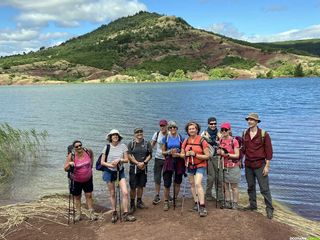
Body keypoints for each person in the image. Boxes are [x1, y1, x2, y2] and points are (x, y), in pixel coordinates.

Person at [243, 113, 274, 219]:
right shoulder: (245, 133)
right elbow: (243, 150)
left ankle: (269, 209)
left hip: (260, 165)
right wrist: (237, 160)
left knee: (264, 189)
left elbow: (269, 152)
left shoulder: (264, 134)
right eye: (248, 120)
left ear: (257, 122)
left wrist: (267, 166)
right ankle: (253, 206)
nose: (249, 121)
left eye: (252, 120)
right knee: (250, 187)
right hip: (248, 165)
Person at [100, 129, 136, 223]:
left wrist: (119, 160)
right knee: (112, 193)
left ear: (118, 136)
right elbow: (102, 162)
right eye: (113, 135)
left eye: (116, 135)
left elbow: (126, 160)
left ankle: (126, 214)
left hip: (120, 171)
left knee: (125, 192)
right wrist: (110, 165)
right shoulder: (106, 147)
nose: (115, 136)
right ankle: (114, 212)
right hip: (109, 172)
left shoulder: (123, 146)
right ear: (110, 137)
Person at [180, 121, 210, 217]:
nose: (192, 130)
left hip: (200, 165)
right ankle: (196, 202)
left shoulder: (202, 141)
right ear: (187, 131)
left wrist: (196, 154)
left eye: (193, 128)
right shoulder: (186, 141)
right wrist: (186, 154)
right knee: (192, 184)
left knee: (198, 183)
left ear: (197, 130)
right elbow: (181, 154)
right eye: (190, 129)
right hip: (189, 165)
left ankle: (202, 206)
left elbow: (207, 156)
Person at [64, 140, 97, 221]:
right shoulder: (71, 156)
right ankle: (78, 215)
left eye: (80, 145)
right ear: (74, 148)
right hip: (76, 180)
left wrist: (91, 166)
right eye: (76, 146)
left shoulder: (88, 151)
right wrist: (69, 164)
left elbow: (92, 156)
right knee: (77, 197)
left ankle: (91, 214)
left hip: (88, 178)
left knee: (89, 195)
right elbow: (65, 168)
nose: (79, 147)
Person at [216, 122, 241, 209]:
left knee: (234, 186)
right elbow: (219, 151)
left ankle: (235, 203)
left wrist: (227, 155)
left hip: (233, 166)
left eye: (225, 130)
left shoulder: (234, 141)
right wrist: (219, 152)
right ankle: (227, 201)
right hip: (223, 166)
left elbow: (237, 155)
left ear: (229, 130)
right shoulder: (221, 140)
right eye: (222, 130)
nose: (223, 131)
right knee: (225, 186)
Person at [128, 128, 152, 213]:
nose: (139, 134)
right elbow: (129, 156)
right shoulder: (131, 144)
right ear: (134, 134)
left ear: (143, 133)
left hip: (143, 168)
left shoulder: (147, 143)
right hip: (133, 168)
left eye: (140, 132)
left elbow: (150, 155)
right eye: (137, 132)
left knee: (141, 186)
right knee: (133, 187)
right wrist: (138, 163)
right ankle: (131, 204)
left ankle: (139, 201)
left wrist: (144, 163)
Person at [161, 121, 184, 211]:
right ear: (168, 129)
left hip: (179, 161)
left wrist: (178, 153)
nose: (172, 129)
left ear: (177, 128)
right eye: (170, 128)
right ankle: (166, 201)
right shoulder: (166, 138)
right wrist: (169, 152)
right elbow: (163, 151)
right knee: (167, 183)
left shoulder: (181, 138)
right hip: (169, 161)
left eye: (174, 127)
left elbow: (183, 150)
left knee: (177, 181)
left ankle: (174, 198)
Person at [201, 117, 223, 203]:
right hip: (209, 157)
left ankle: (219, 196)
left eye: (214, 123)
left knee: (219, 178)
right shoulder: (204, 133)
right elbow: (201, 145)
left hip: (218, 157)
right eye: (211, 124)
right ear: (208, 124)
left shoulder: (220, 133)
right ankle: (208, 195)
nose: (213, 125)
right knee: (211, 177)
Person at [151, 119, 168, 205]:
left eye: (164, 125)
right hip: (158, 158)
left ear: (167, 126)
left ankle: (167, 195)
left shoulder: (170, 135)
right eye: (161, 126)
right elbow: (152, 145)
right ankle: (157, 195)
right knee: (157, 178)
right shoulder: (157, 134)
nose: (162, 127)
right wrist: (148, 155)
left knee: (166, 178)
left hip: (167, 159)